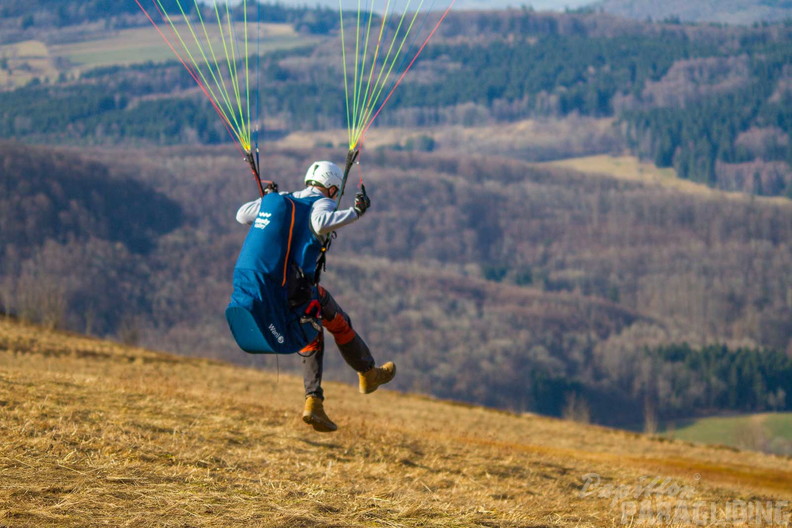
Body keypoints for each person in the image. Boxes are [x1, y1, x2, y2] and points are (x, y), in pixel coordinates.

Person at [235, 160, 396, 432]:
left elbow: (242, 215)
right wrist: (356, 212)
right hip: (295, 290)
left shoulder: (284, 200)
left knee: (318, 320)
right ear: (332, 188)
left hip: (273, 289)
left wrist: (268, 200)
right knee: (325, 320)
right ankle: (361, 376)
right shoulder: (322, 202)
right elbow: (321, 223)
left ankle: (337, 390)